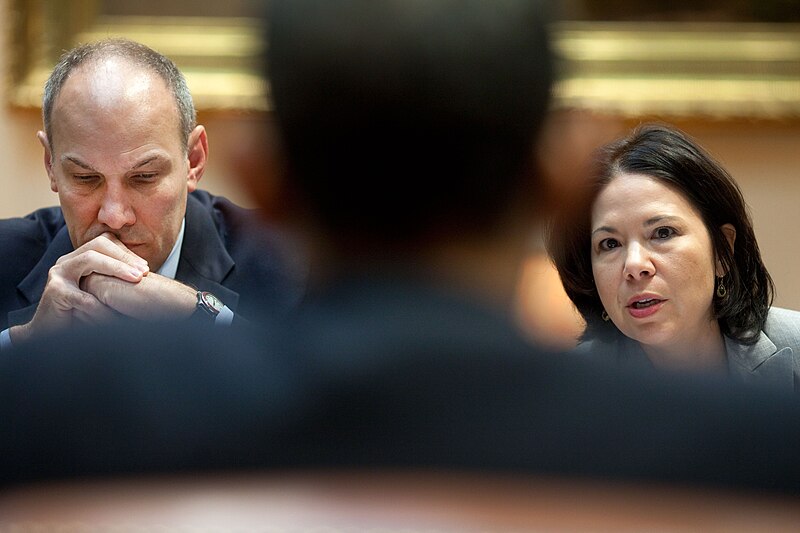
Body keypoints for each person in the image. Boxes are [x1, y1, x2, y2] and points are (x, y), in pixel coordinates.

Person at [3, 0, 800, 497]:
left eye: (146, 174)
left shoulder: (45, 410)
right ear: (559, 179)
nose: (115, 210)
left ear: (259, 178)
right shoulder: (754, 450)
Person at [0, 38, 303, 350]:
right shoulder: (5, 256)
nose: (115, 216)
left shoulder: (284, 258)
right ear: (51, 164)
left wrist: (201, 314)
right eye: (86, 178)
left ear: (194, 161)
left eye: (144, 177)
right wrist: (26, 339)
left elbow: (322, 386)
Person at [547, 122, 800, 390]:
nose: (634, 265)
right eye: (610, 244)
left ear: (722, 253)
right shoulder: (567, 388)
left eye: (663, 233)